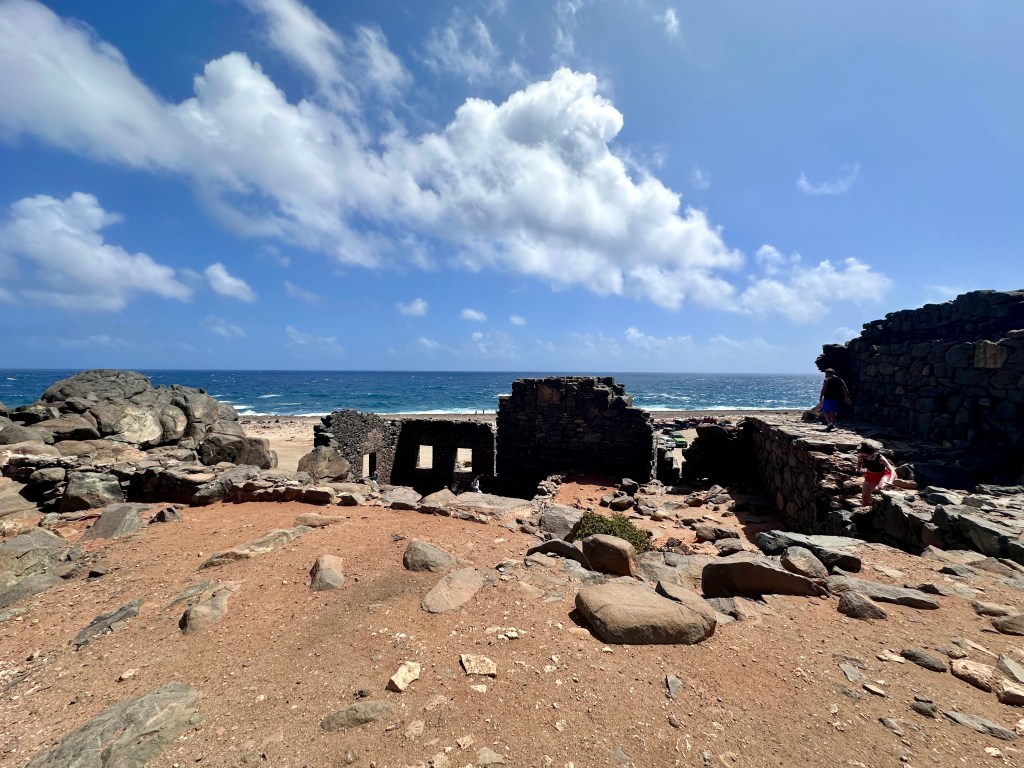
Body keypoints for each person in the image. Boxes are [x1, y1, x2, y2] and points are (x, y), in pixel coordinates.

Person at [857, 441, 895, 506]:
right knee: (865, 497)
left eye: (866, 456)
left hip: (884, 474)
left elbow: (892, 470)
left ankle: (890, 503)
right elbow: (859, 462)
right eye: (863, 456)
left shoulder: (880, 459)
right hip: (870, 475)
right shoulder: (861, 456)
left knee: (882, 488)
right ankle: (866, 511)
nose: (865, 458)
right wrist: (858, 469)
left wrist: (891, 481)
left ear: (872, 453)